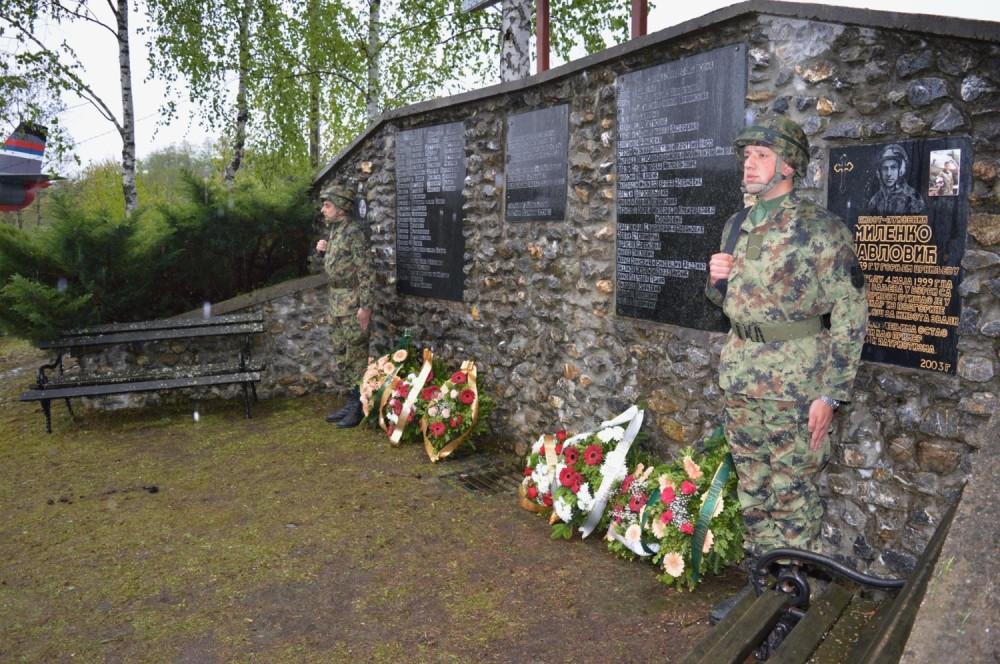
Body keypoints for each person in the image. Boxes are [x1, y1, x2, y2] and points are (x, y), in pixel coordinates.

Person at [704, 116, 868, 622]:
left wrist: (831, 395)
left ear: (788, 164)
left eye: (759, 155)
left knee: (793, 495)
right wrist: (716, 281)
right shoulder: (738, 223)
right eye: (745, 156)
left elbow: (850, 315)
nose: (747, 164)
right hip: (742, 379)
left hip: (797, 388)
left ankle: (794, 603)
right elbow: (728, 304)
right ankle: (761, 594)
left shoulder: (821, 230)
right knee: (754, 490)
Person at [315, 185, 374, 428]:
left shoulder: (354, 231)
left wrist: (365, 307)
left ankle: (359, 405)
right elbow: (340, 263)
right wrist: (324, 252)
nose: (323, 210)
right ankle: (351, 400)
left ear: (340, 208)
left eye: (327, 205)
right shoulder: (336, 231)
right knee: (342, 354)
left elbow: (365, 271)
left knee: (356, 354)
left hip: (352, 302)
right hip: (336, 300)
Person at [868, 143, 924, 215]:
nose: (888, 174)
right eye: (885, 168)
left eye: (893, 167)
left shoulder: (913, 199)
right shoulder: (874, 201)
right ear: (879, 172)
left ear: (901, 170)